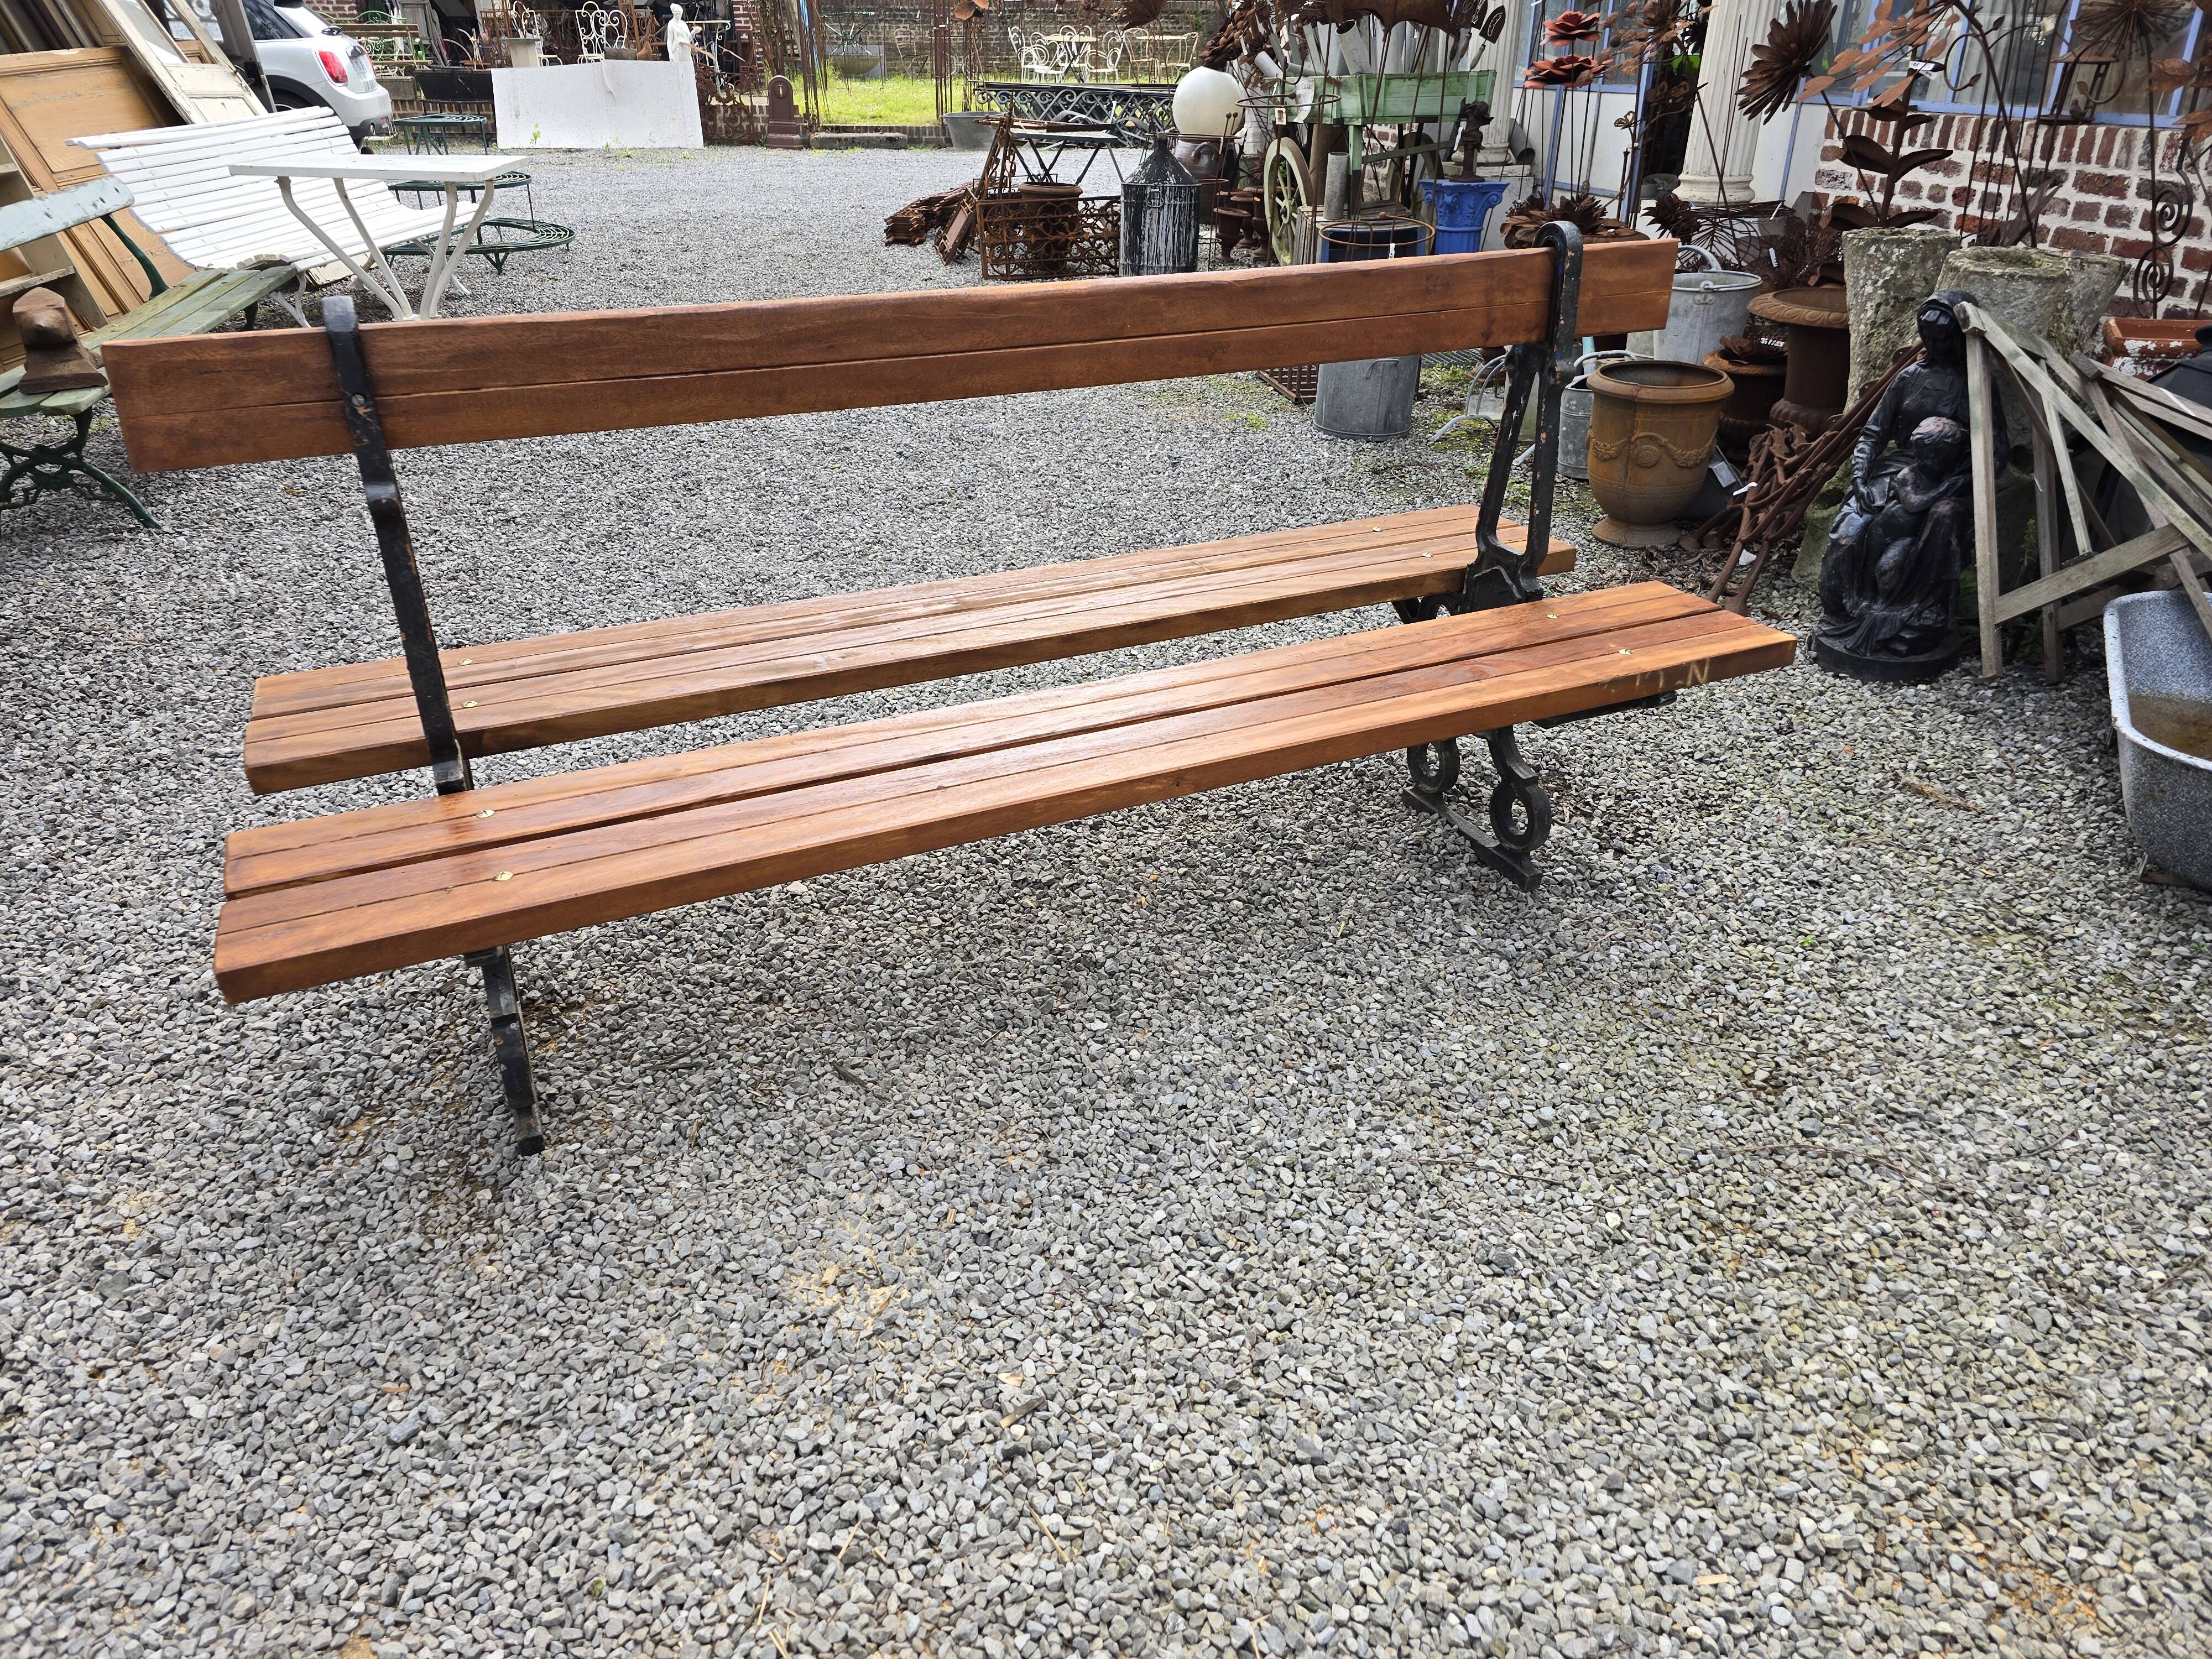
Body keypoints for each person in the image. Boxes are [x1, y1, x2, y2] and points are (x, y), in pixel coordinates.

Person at [1815, 291, 1998, 673]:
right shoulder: (1910, 377)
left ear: (1961, 337)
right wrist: (1861, 477)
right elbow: (1872, 434)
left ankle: (1920, 618)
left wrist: (1955, 482)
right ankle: (1850, 612)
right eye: (1927, 338)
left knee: (1943, 518)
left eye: (1942, 339)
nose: (1934, 346)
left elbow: (1997, 453)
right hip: (1896, 470)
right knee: (1851, 531)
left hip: (1952, 478)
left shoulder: (1977, 384)